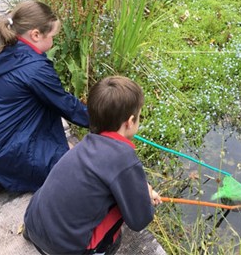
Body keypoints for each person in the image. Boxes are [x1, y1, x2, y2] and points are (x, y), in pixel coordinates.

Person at [0, 0, 89, 194]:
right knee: (65, 166)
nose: (54, 42)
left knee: (37, 106)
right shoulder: (35, 68)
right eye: (52, 36)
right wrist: (105, 120)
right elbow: (68, 106)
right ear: (36, 34)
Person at [23, 76, 161, 255]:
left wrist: (142, 189)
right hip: (62, 249)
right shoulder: (124, 158)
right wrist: (146, 199)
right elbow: (139, 220)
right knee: (115, 237)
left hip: (33, 223)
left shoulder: (86, 144)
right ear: (130, 121)